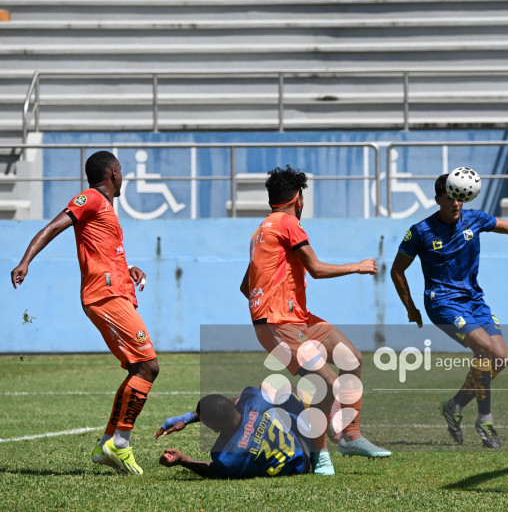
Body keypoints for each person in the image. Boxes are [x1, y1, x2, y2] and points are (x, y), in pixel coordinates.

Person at [390, 174, 508, 448]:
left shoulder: (474, 219)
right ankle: (485, 420)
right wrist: (411, 307)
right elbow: (397, 269)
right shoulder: (421, 231)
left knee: (501, 357)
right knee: (485, 350)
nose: (456, 202)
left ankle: (454, 406)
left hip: (474, 301)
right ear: (438, 200)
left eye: (460, 197)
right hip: (442, 302)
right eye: (450, 197)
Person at [10, 150, 158, 475]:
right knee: (148, 366)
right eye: (121, 171)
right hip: (105, 295)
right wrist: (26, 260)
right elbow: (54, 226)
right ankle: (117, 444)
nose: (123, 177)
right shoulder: (90, 198)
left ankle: (111, 443)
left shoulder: (106, 210)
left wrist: (129, 268)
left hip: (116, 290)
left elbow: (104, 251)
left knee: (139, 368)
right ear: (113, 174)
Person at [240, 165, 390, 476]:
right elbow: (317, 270)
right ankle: (319, 453)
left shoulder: (260, 232)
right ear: (298, 198)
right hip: (281, 324)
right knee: (328, 382)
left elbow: (246, 286)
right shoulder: (288, 223)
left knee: (352, 358)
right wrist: (358, 266)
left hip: (294, 318)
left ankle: (351, 436)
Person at [155, 386, 314, 478]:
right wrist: (190, 417)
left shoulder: (227, 456)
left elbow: (214, 470)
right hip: (299, 449)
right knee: (268, 386)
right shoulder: (255, 400)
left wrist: (182, 460)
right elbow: (232, 402)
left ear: (214, 427)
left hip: (298, 469)